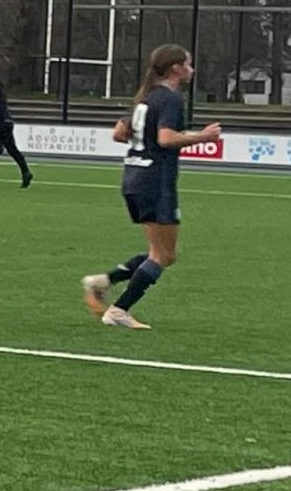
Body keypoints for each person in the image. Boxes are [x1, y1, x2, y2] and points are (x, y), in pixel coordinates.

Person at [82, 44, 218, 331]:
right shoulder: (168, 98)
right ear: (175, 69)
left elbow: (120, 133)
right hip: (156, 182)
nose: (191, 69)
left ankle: (103, 281)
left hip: (134, 178)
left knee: (161, 252)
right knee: (163, 255)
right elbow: (167, 138)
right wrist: (202, 136)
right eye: (188, 64)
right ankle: (119, 310)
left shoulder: (145, 97)